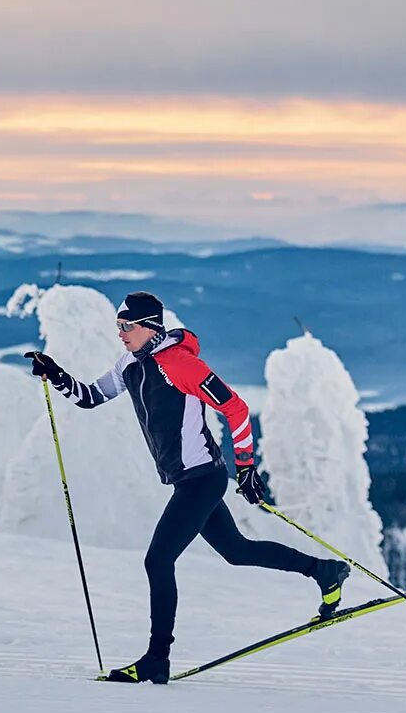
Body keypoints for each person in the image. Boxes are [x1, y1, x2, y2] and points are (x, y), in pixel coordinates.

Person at [24, 291, 349, 684]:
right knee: (237, 550)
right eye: (118, 327)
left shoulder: (179, 364)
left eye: (127, 327)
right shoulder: (131, 364)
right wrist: (55, 373)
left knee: (157, 561)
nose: (121, 334)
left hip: (202, 480)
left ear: (150, 327)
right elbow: (91, 397)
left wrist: (245, 466)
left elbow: (236, 408)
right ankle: (325, 571)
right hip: (188, 481)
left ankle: (156, 659)